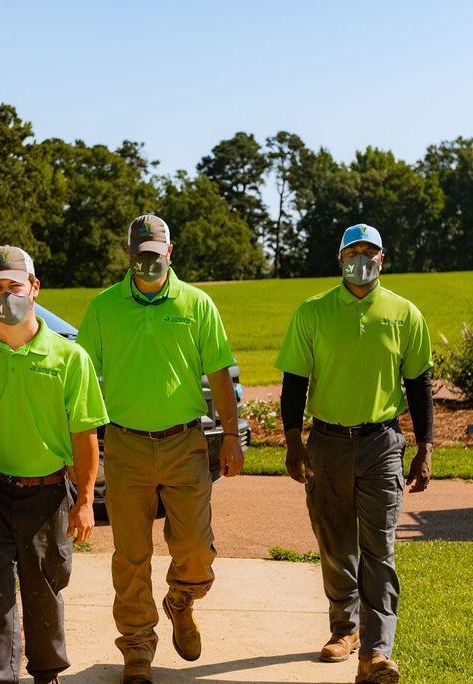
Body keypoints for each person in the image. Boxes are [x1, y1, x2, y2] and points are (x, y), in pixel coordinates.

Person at [76, 214, 244, 684]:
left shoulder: (197, 304)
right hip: (126, 445)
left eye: (156, 254)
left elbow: (219, 374)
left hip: (185, 443)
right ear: (129, 255)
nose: (148, 262)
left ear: (170, 253)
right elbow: (82, 375)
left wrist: (232, 436)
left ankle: (181, 599)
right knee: (130, 555)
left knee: (195, 547)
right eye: (140, 254)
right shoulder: (104, 307)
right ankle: (137, 648)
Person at [0, 245, 108, 684]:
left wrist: (85, 501)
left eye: (14, 286)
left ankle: (47, 673)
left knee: (44, 592)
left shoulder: (70, 358)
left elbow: (85, 435)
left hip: (47, 494)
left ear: (34, 288)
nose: (5, 295)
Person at [275, 224, 433, 684]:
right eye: (353, 251)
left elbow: (419, 385)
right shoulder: (313, 312)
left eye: (370, 252)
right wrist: (292, 441)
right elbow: (294, 383)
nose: (361, 259)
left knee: (379, 547)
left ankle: (376, 652)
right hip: (326, 443)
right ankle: (344, 630)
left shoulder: (404, 314)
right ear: (339, 258)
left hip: (382, 442)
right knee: (335, 542)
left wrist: (425, 447)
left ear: (382, 259)